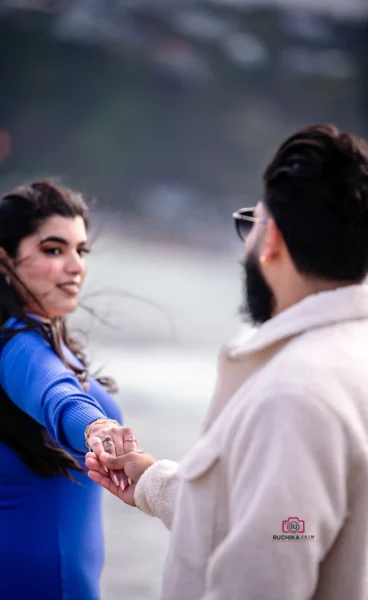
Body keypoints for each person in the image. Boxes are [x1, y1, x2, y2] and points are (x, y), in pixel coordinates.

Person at [87, 124, 368, 600]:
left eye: (250, 224)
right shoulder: (350, 356)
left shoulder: (295, 392)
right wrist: (153, 483)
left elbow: (266, 576)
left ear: (271, 239)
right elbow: (260, 520)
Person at [0, 180, 136, 600]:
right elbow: (54, 393)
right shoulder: (16, 347)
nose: (76, 266)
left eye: (81, 251)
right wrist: (94, 427)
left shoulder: (39, 344)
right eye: (54, 250)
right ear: (3, 262)